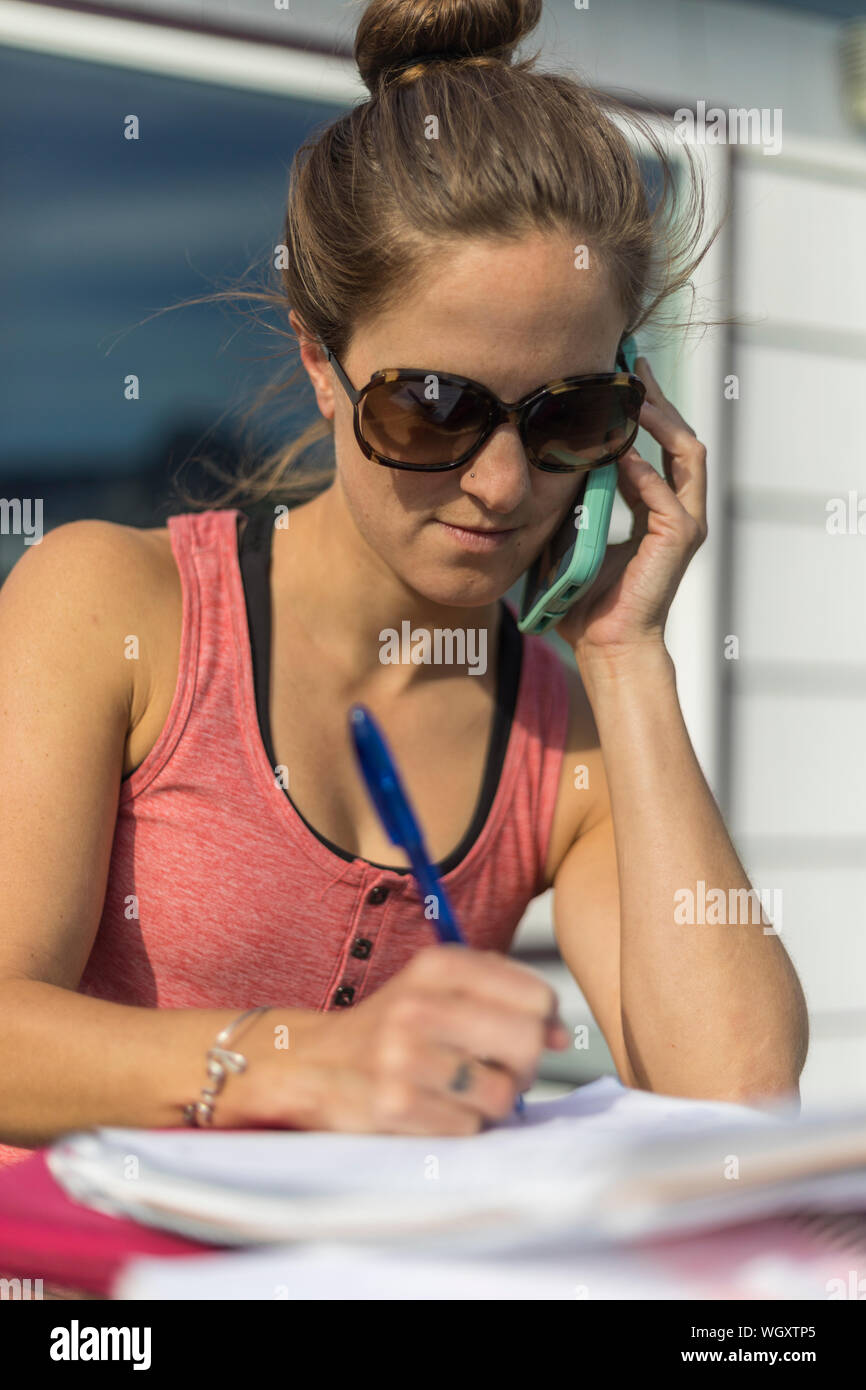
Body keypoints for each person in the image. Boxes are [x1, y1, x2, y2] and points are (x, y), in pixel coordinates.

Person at [0, 0, 808, 1177]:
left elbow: (737, 1097)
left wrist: (628, 660)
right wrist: (301, 1065)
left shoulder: (560, 728)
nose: (498, 483)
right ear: (320, 362)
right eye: (432, 407)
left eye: (565, 416)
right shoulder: (113, 607)